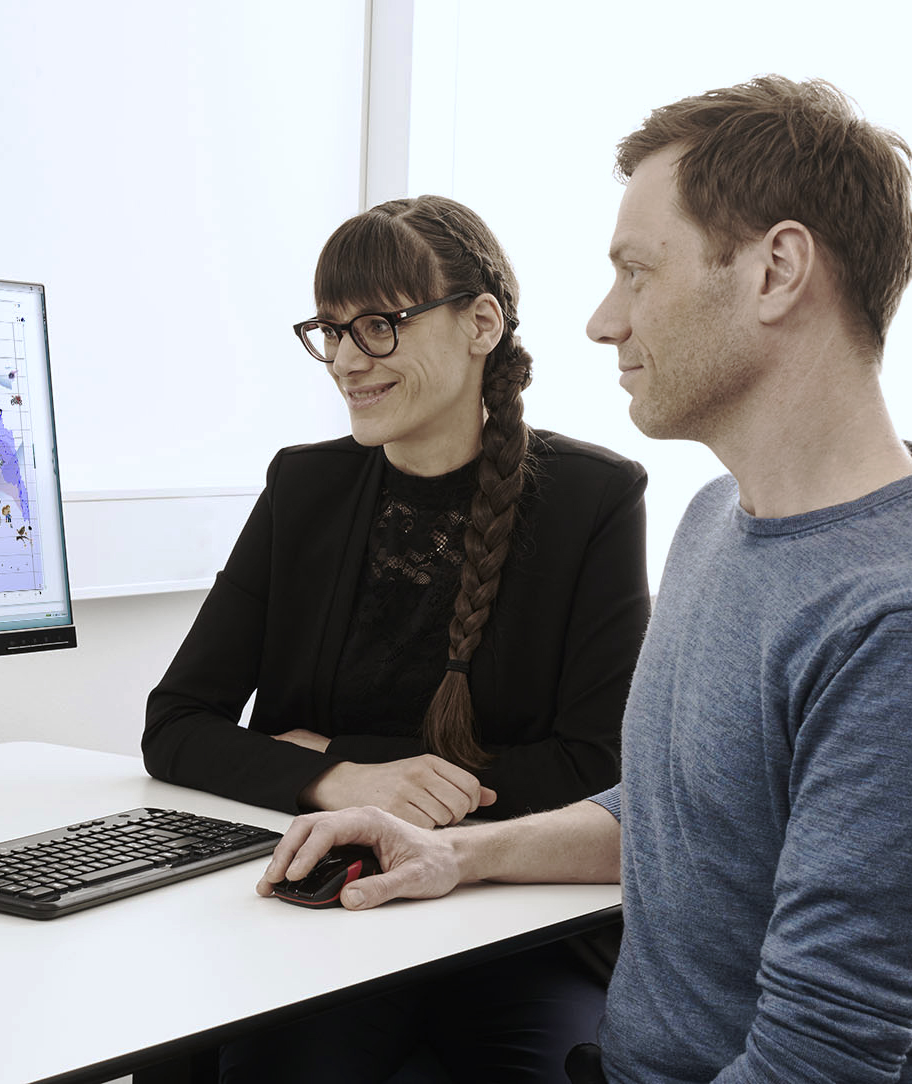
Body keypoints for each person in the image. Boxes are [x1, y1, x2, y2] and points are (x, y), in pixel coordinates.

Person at [260, 76, 912, 1084]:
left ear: (776, 270)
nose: (602, 320)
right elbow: (679, 811)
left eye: (636, 272)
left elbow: (820, 1062)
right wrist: (454, 852)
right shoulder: (719, 518)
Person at [143, 196, 652, 1080]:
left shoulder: (594, 499)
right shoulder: (303, 487)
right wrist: (345, 778)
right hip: (330, 902)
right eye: (331, 331)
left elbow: (597, 769)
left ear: (481, 324)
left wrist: (325, 752)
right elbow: (177, 724)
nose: (347, 360)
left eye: (379, 326)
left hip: (512, 921)